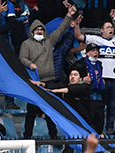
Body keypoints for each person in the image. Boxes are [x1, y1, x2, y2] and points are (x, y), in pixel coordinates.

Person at [75, 14, 115, 135]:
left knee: (112, 106)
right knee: (98, 106)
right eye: (108, 27)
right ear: (101, 30)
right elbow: (78, 36)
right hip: (100, 80)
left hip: (114, 80)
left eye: (112, 27)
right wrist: (77, 24)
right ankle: (94, 129)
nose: (111, 29)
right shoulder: (96, 40)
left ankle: (110, 128)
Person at [19, 4, 76, 139]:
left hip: (49, 81)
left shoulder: (49, 41)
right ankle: (27, 137)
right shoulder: (26, 44)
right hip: (34, 82)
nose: (39, 32)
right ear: (32, 31)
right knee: (31, 112)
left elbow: (61, 29)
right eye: (37, 30)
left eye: (41, 30)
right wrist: (30, 64)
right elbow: (21, 57)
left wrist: (69, 15)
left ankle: (54, 136)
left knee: (51, 110)